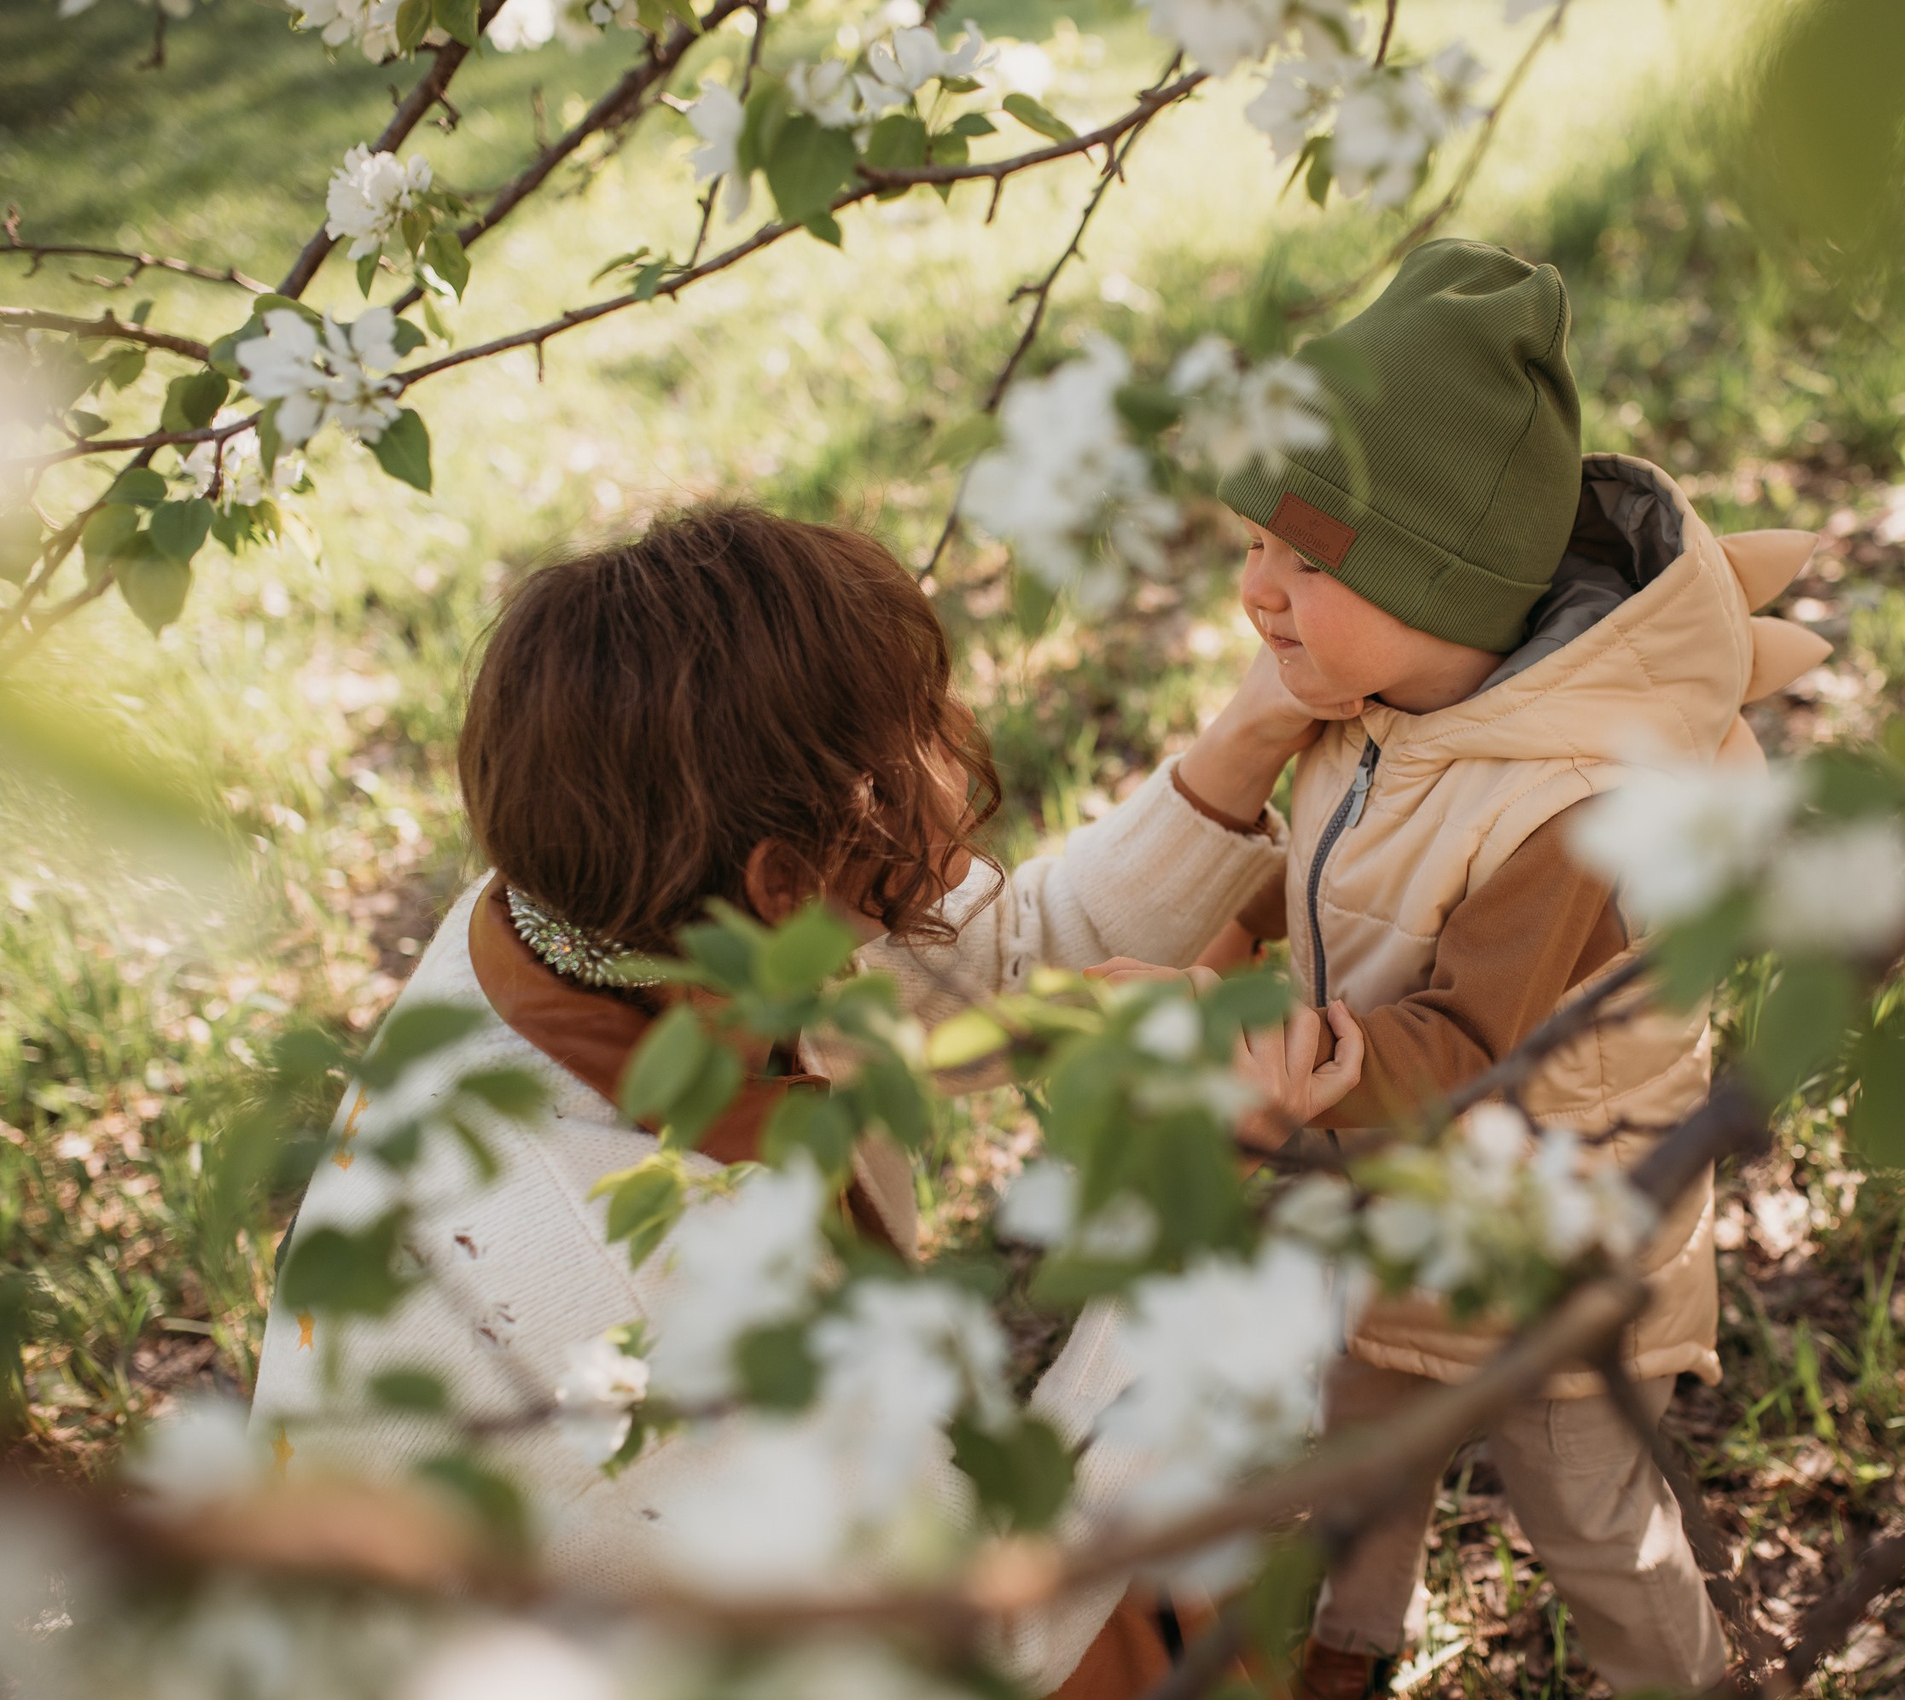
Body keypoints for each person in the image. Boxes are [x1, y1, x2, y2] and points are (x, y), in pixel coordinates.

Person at [245, 506, 1358, 1695]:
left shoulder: (612, 905)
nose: (957, 749)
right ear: (785, 884)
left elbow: (1010, 955)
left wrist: (1259, 722)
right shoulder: (649, 1306)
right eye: (916, 741)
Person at [1192, 239, 1830, 1697]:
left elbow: (1474, 1036)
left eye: (1305, 560)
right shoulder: (1371, 705)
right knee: (1354, 1459)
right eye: (1256, 545)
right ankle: (1341, 1655)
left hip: (1551, 1264)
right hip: (1384, 1206)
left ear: (1443, 591)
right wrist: (1235, 942)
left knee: (1595, 1524)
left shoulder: (1578, 804)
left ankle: (1689, 1681)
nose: (1256, 594)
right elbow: (1323, 882)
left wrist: (1311, 1066)